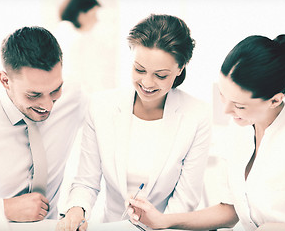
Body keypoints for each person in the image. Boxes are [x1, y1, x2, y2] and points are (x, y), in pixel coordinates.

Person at [127, 35, 285, 231]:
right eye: (222, 95)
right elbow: (230, 210)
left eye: (239, 105)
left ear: (275, 100)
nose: (227, 111)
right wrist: (163, 220)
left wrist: (271, 229)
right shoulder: (241, 127)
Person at [56, 14, 212, 231]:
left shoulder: (198, 115)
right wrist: (76, 210)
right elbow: (86, 182)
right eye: (139, 70)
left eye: (160, 75)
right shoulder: (101, 106)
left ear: (180, 68)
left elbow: (186, 198)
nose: (147, 83)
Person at [0, 26, 87, 222]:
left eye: (55, 90)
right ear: (5, 80)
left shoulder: (73, 96)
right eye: (34, 95)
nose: (47, 106)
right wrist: (3, 209)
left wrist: (78, 205)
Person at [54, 0, 115, 93]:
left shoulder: (60, 33)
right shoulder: (77, 39)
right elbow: (85, 79)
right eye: (94, 14)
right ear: (81, 15)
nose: (96, 20)